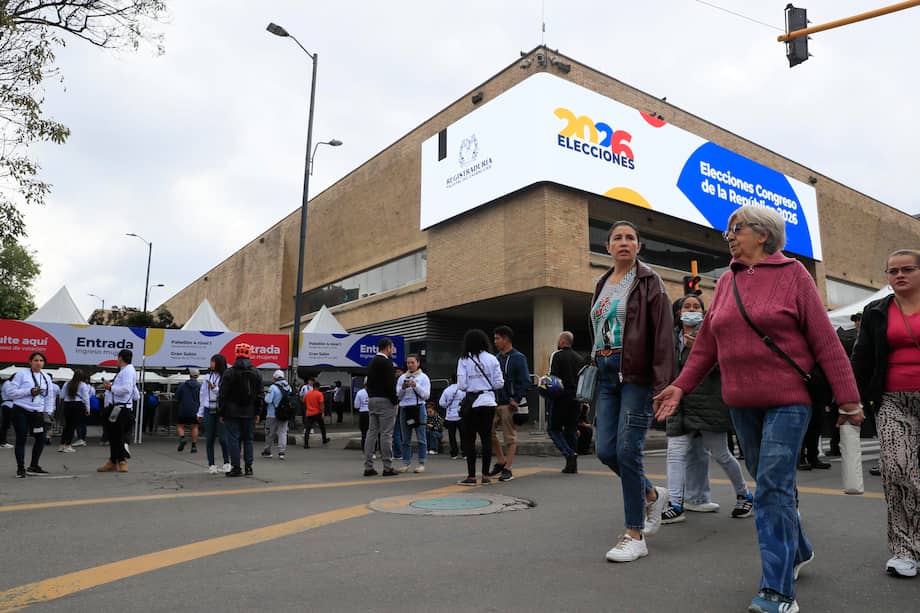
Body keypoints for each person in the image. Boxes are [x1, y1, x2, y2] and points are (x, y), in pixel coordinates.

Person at [654, 206, 863, 613]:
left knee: (770, 489)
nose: (728, 236)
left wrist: (849, 399)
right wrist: (680, 386)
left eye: (737, 229)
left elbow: (825, 341)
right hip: (741, 403)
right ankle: (798, 549)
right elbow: (707, 347)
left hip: (788, 399)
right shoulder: (726, 282)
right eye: (728, 230)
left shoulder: (794, 276)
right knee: (769, 484)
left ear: (763, 235)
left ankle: (778, 590)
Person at [589, 220, 674, 563]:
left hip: (635, 375)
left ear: (639, 246)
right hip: (606, 374)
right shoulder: (600, 283)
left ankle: (634, 533)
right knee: (606, 450)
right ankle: (653, 494)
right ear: (607, 247)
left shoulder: (650, 282)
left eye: (630, 238)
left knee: (628, 450)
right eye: (617, 238)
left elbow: (663, 335)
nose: (624, 242)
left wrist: (663, 384)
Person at [850, 249, 920, 578]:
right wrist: (849, 400)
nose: (899, 275)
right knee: (897, 472)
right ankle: (904, 549)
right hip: (893, 401)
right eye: (892, 271)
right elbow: (861, 358)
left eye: (908, 269)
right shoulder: (877, 311)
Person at [662, 294, 753, 525]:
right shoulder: (670, 338)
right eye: (687, 306)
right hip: (679, 405)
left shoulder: (713, 333)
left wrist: (702, 352)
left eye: (696, 306)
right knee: (675, 453)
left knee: (721, 454)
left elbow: (727, 364)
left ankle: (744, 495)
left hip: (709, 404)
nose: (691, 310)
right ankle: (674, 504)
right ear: (678, 313)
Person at [457, 329, 504, 486]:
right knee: (486, 439)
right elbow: (499, 383)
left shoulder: (464, 360)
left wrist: (473, 383)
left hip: (471, 403)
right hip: (488, 402)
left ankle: (471, 476)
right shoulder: (492, 359)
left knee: (469, 440)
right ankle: (485, 475)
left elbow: (462, 385)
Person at [489, 325, 530, 482]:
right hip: (494, 402)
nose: (495, 342)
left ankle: (508, 468)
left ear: (506, 339)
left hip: (509, 403)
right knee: (489, 431)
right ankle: (500, 461)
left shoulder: (518, 358)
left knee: (509, 436)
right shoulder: (495, 358)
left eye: (497, 338)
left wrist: (516, 399)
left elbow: (526, 381)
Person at [7, 352, 55, 477]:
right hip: (21, 410)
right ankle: (20, 468)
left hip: (37, 413)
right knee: (21, 439)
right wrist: (29, 391)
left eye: (41, 360)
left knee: (41, 439)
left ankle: (33, 466)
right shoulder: (21, 374)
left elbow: (50, 397)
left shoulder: (46, 377)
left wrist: (48, 412)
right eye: (35, 360)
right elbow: (10, 393)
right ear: (30, 362)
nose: (38, 363)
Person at [219, 343, 262, 477]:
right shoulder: (257, 373)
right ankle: (249, 467)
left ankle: (236, 467)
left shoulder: (229, 372)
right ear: (249, 355)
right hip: (249, 411)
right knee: (248, 439)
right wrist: (258, 412)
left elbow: (223, 394)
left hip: (231, 412)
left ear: (236, 354)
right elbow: (260, 395)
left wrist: (222, 412)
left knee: (233, 439)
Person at [363, 338, 400, 477]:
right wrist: (395, 401)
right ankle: (387, 467)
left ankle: (368, 466)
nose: (392, 351)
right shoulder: (387, 363)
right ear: (388, 348)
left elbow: (368, 382)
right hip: (385, 401)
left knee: (371, 433)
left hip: (372, 399)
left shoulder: (372, 362)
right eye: (392, 348)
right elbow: (390, 385)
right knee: (386, 434)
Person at [549, 331, 584, 474]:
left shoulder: (556, 356)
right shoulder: (579, 358)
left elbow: (553, 378)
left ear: (562, 342)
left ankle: (568, 453)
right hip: (576, 398)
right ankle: (572, 465)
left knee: (553, 429)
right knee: (571, 430)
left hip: (560, 398)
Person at [98, 349, 138, 473]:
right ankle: (113, 461)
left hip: (121, 408)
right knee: (114, 436)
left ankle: (121, 461)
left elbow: (126, 389)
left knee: (117, 436)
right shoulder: (127, 371)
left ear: (120, 358)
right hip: (118, 407)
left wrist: (111, 387)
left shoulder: (127, 371)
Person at [396, 354, 431, 473]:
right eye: (408, 363)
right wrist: (404, 388)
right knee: (405, 438)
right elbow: (398, 396)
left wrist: (416, 386)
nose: (410, 365)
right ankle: (406, 463)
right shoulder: (402, 378)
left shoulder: (423, 377)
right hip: (405, 409)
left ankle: (422, 463)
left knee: (421, 437)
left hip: (418, 409)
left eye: (412, 362)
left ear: (418, 363)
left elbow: (426, 395)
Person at [198, 354, 230, 474]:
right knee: (209, 438)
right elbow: (203, 395)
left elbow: (224, 393)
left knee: (223, 438)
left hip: (221, 410)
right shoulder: (207, 376)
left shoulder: (225, 376)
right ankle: (211, 464)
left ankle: (227, 462)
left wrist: (215, 389)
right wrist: (200, 412)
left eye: (213, 362)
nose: (210, 364)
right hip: (208, 409)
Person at [262, 370, 292, 460]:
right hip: (285, 414)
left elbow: (268, 400)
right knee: (283, 433)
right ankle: (282, 452)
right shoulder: (288, 387)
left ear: (275, 378)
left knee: (270, 433)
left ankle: (267, 451)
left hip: (272, 414)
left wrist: (265, 395)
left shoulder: (273, 387)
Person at [59, 369, 91, 453]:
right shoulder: (83, 385)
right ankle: (68, 445)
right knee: (72, 426)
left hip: (67, 404)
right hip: (78, 405)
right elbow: (86, 398)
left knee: (67, 426)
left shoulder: (67, 383)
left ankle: (62, 445)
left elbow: (61, 395)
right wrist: (88, 409)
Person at [175, 368, 202, 453]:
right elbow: (202, 398)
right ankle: (193, 446)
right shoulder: (200, 386)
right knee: (194, 426)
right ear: (197, 376)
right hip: (195, 410)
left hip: (183, 409)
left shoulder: (182, 386)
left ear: (189, 375)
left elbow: (176, 397)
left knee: (180, 425)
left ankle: (182, 438)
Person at [439, 374, 463, 459]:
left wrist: (447, 405)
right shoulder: (463, 390)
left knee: (452, 436)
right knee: (463, 435)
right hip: (461, 416)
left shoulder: (447, 390)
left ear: (451, 380)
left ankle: (454, 453)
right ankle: (465, 453)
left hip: (450, 416)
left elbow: (441, 403)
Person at [304, 379, 330, 448]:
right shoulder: (319, 394)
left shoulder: (308, 394)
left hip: (309, 413)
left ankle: (306, 444)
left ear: (313, 386)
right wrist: (323, 413)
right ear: (318, 387)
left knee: (308, 428)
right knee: (322, 427)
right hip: (317, 413)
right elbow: (321, 404)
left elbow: (304, 401)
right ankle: (324, 439)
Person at [354, 379, 370, 451]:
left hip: (363, 413)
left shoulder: (360, 392)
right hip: (372, 413)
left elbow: (356, 406)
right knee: (374, 433)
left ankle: (364, 450)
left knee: (364, 433)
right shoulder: (375, 392)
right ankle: (373, 451)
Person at [0, 377, 13, 448]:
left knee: (5, 425)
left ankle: (3, 442)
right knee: (5, 425)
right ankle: (3, 442)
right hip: (8, 405)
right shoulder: (8, 384)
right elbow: (10, 395)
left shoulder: (8, 383)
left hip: (9, 405)